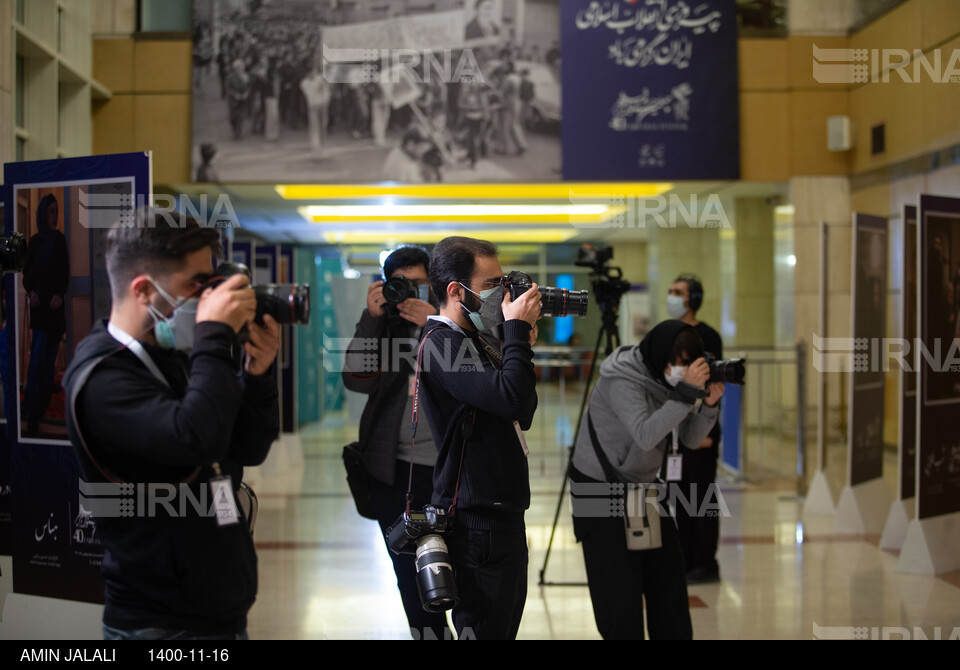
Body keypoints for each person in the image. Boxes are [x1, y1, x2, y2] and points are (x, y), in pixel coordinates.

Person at [63, 208, 281, 640]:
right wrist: (213, 336)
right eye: (197, 286)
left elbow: (244, 447)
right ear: (144, 289)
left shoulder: (174, 358)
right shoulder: (102, 378)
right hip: (160, 624)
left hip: (218, 611)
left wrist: (257, 375)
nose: (208, 297)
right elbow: (196, 439)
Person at [418, 236, 541, 639]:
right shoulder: (442, 344)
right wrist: (517, 335)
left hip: (502, 512)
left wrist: (516, 345)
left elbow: (523, 410)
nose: (503, 294)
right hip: (476, 522)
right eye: (492, 284)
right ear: (456, 290)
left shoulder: (475, 340)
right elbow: (509, 399)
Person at [570, 320, 724, 640]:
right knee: (621, 603)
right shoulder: (622, 378)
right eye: (679, 362)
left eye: (688, 364)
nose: (682, 371)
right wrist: (685, 393)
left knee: (669, 593)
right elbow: (645, 434)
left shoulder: (665, 381)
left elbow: (691, 440)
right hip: (599, 490)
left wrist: (709, 405)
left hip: (644, 489)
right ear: (659, 355)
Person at [342, 246, 446, 639]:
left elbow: (479, 374)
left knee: (462, 570)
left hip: (450, 471)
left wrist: (433, 323)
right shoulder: (382, 326)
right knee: (411, 577)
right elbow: (355, 379)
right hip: (395, 470)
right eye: (401, 285)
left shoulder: (452, 323)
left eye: (419, 285)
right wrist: (371, 318)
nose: (410, 293)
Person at [666, 273, 724, 584]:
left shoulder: (708, 336)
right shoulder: (671, 333)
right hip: (676, 430)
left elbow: (713, 386)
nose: (672, 296)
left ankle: (705, 562)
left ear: (693, 299)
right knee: (681, 499)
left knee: (702, 499)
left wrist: (707, 433)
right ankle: (686, 560)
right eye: (671, 291)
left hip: (701, 432)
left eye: (678, 292)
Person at [22, 194, 69, 437]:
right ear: (43, 213)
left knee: (49, 359)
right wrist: (31, 292)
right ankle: (32, 411)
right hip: (40, 311)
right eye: (51, 211)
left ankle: (41, 403)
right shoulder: (35, 241)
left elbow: (64, 273)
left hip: (55, 310)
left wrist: (60, 294)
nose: (54, 216)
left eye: (56, 211)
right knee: (38, 359)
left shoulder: (59, 241)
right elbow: (26, 274)